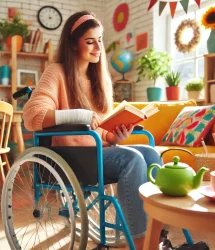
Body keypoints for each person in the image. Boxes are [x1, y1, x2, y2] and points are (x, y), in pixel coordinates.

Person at [23, 11, 163, 250]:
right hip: (72, 156)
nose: (98, 47)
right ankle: (142, 245)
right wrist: (81, 116)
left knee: (150, 154)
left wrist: (115, 135)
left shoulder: (99, 78)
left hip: (98, 150)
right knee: (133, 159)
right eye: (90, 41)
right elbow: (32, 116)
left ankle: (157, 234)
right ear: (73, 44)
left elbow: (102, 131)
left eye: (100, 39)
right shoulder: (56, 73)